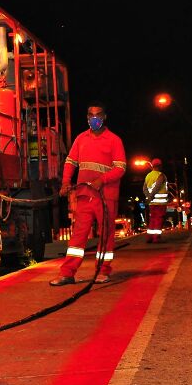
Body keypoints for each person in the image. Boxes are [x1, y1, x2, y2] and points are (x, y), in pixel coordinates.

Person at [50, 102, 127, 286]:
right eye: (91, 115)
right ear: (87, 118)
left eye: (98, 115)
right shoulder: (81, 139)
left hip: (106, 196)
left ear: (104, 117)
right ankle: (67, 273)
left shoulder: (114, 140)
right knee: (78, 236)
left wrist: (103, 180)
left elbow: (121, 167)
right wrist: (66, 182)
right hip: (85, 195)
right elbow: (70, 162)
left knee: (105, 235)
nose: (94, 118)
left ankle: (103, 271)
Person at [143, 158, 168, 243]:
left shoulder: (148, 176)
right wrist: (151, 196)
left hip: (152, 203)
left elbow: (144, 189)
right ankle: (156, 237)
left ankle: (149, 237)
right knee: (159, 219)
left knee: (152, 219)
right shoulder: (161, 175)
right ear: (160, 166)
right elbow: (157, 186)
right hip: (160, 203)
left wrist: (149, 197)